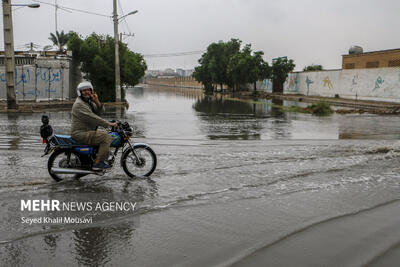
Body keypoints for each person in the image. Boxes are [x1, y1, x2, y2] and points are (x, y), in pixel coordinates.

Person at [71, 81, 118, 170]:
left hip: (87, 131)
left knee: (105, 133)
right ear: (80, 92)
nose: (86, 92)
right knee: (105, 137)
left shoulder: (88, 102)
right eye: (83, 90)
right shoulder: (79, 104)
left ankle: (95, 157)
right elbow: (93, 118)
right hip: (80, 133)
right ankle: (98, 162)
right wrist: (109, 124)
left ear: (91, 91)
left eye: (88, 90)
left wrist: (96, 100)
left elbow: (100, 112)